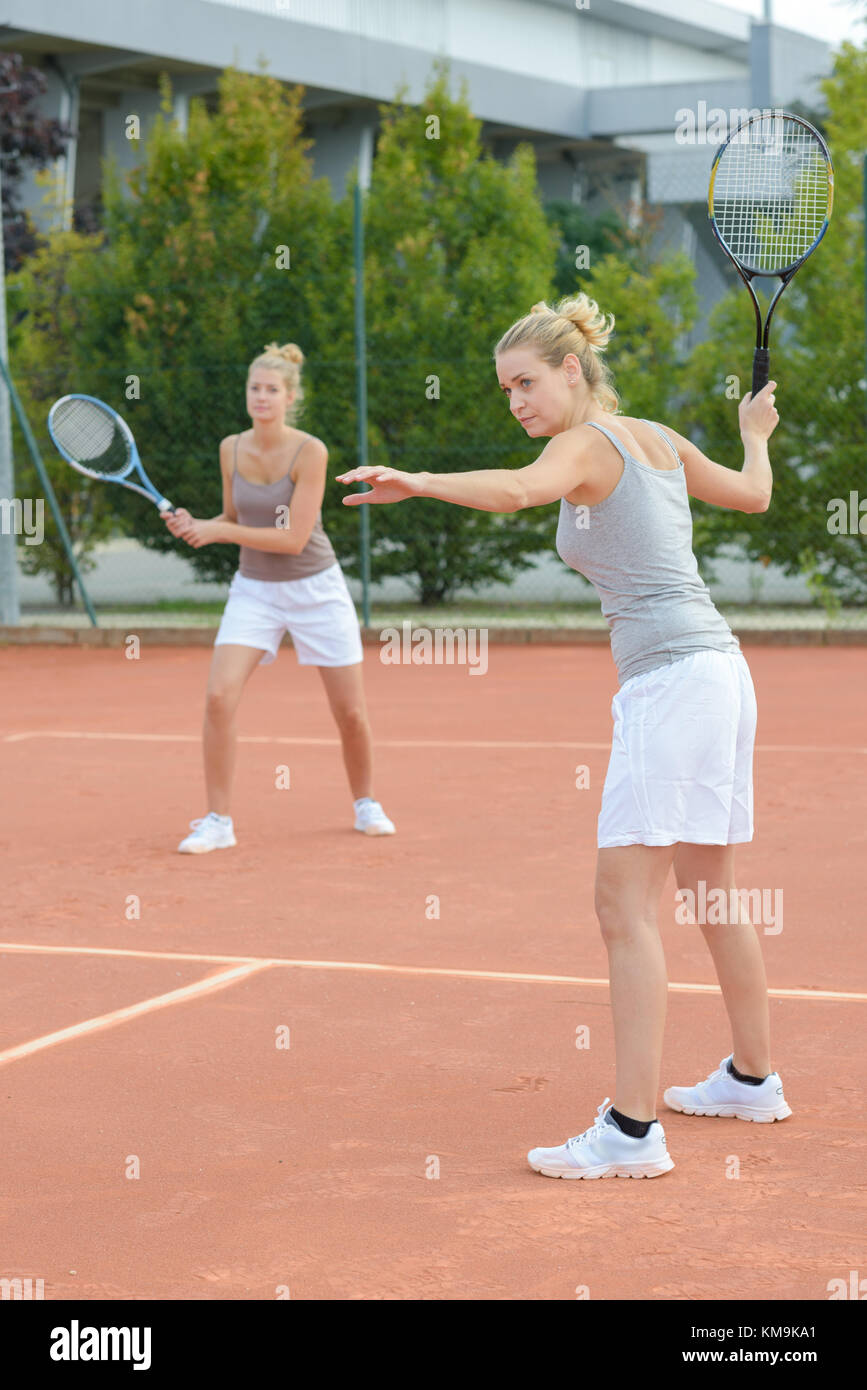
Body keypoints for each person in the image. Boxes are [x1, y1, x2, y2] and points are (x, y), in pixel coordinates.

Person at [336, 293, 792, 1180]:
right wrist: (755, 431)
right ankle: (751, 1077)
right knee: (708, 892)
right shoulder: (655, 436)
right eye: (506, 389)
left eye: (525, 382)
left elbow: (514, 491)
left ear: (572, 371)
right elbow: (755, 493)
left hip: (671, 683)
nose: (516, 402)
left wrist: (418, 480)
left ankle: (630, 1133)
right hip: (720, 675)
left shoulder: (579, 445)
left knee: (623, 906)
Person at [162, 340, 395, 853]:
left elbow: (292, 539)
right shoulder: (231, 447)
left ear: (291, 397)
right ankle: (217, 820)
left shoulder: (310, 451)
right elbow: (232, 517)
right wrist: (197, 524)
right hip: (254, 590)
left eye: (271, 389)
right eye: (254, 388)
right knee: (219, 696)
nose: (261, 397)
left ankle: (366, 803)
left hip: (316, 587)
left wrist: (218, 534)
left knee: (350, 713)